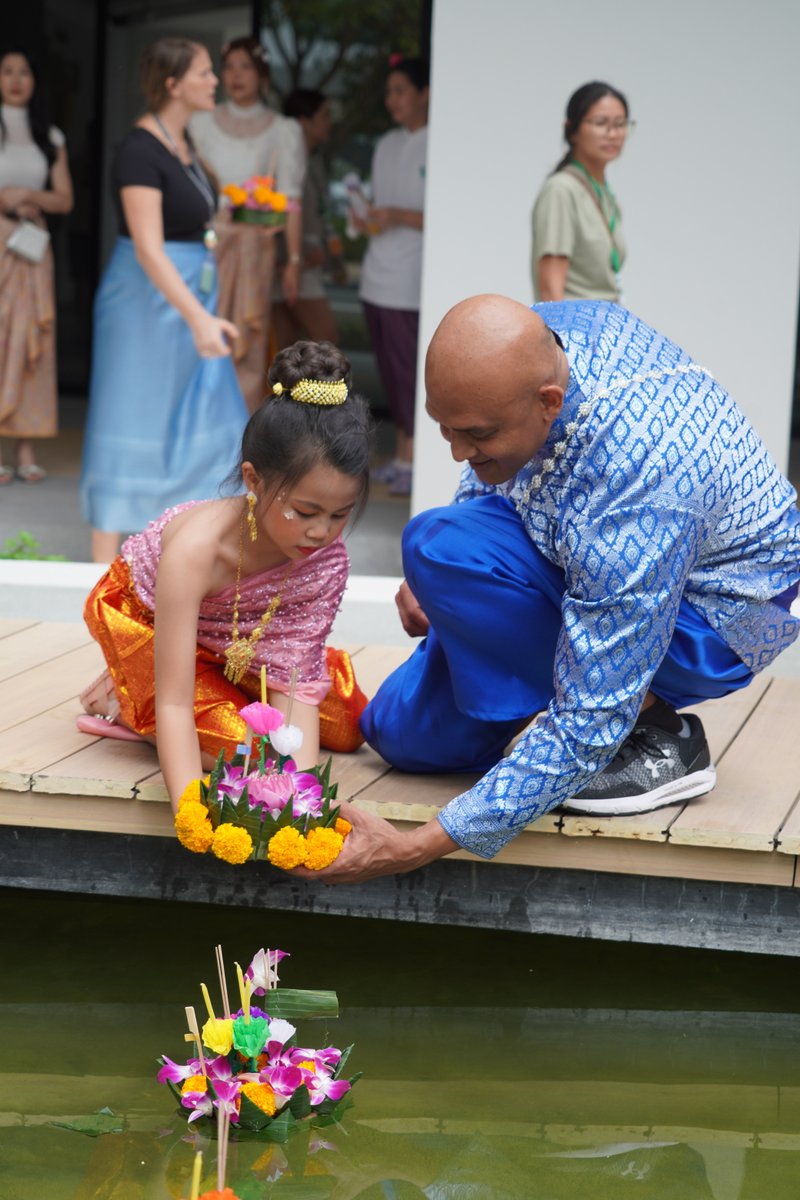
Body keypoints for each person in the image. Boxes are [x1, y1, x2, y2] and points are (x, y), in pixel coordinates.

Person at [295, 296, 800, 883]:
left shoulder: (638, 481)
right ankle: (534, 722)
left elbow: (591, 713)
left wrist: (414, 848)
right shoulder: (548, 334)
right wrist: (446, 588)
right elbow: (488, 464)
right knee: (397, 732)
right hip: (586, 552)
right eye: (445, 429)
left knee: (440, 546)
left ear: (549, 403)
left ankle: (659, 728)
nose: (457, 451)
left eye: (475, 435)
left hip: (711, 616)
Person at [77, 340, 373, 813]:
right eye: (305, 511)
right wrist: (188, 809)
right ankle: (129, 692)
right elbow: (175, 702)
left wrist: (300, 804)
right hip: (151, 625)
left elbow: (293, 686)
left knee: (351, 725)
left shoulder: (324, 558)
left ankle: (145, 692)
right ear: (253, 480)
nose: (322, 532)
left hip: (243, 645)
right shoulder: (197, 552)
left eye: (340, 515)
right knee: (253, 754)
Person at [79, 37, 248, 565]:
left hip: (186, 301)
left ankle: (185, 555)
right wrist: (199, 316)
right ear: (173, 84)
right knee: (132, 416)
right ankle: (102, 572)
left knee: (202, 420)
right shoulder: (138, 149)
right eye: (203, 72)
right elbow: (149, 248)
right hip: (145, 309)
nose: (214, 80)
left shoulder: (183, 145)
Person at [190, 36, 305, 413]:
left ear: (262, 74)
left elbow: (289, 199)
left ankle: (238, 438)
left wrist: (293, 260)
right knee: (198, 332)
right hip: (207, 243)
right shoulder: (201, 122)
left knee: (250, 343)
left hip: (255, 247)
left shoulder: (282, 129)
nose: (237, 75)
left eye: (246, 67)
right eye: (230, 67)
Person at [0, 48, 73, 484]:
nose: (15, 79)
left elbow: (64, 198)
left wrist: (27, 197)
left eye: (24, 71)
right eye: (6, 71)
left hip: (32, 244)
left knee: (30, 342)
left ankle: (24, 448)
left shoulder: (50, 135)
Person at [357, 55, 428, 497]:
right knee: (389, 371)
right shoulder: (385, 144)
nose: (392, 100)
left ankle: (411, 458)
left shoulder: (437, 142)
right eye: (389, 92)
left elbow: (440, 213)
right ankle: (402, 456)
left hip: (408, 278)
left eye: (401, 90)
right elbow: (378, 206)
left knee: (407, 374)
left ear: (425, 94)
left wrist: (399, 214)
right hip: (375, 274)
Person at [531, 81, 631, 303]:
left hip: (606, 324)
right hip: (577, 330)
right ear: (572, 130)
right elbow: (550, 289)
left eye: (620, 124)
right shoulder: (561, 190)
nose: (612, 133)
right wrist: (559, 338)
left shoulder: (603, 193)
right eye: (600, 123)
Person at [272, 88, 338, 349]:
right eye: (324, 115)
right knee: (326, 339)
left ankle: (290, 392)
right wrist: (290, 260)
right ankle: (321, 391)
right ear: (302, 121)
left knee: (289, 342)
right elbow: (280, 210)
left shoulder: (315, 159)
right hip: (291, 266)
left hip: (305, 263)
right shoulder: (286, 161)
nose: (328, 122)